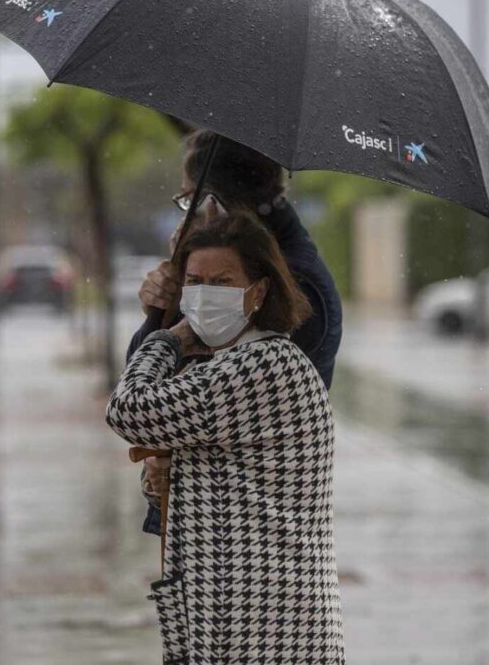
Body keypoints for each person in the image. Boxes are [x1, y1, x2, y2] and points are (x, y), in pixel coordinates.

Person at [106, 213, 345, 663]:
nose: (204, 294)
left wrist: (168, 338)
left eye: (222, 281)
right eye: (194, 281)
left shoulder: (262, 366)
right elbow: (218, 475)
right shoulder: (227, 365)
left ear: (259, 291)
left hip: (264, 626)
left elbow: (127, 410)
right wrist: (164, 478)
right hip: (228, 617)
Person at [127, 130, 343, 534]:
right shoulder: (235, 265)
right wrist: (162, 308)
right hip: (213, 522)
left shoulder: (291, 285)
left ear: (214, 203)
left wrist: (173, 316)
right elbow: (153, 388)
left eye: (188, 199)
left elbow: (148, 406)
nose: (186, 214)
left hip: (248, 529)